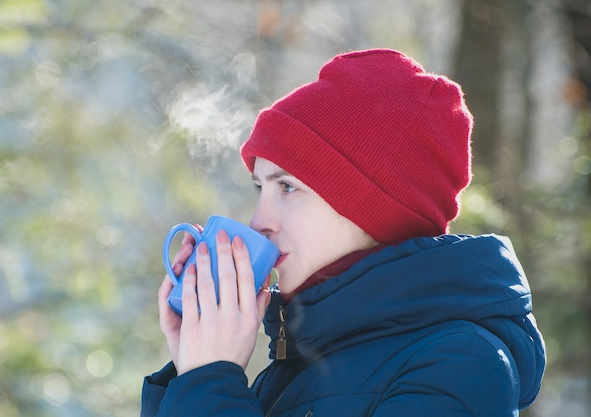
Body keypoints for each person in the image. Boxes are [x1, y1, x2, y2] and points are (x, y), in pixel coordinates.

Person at [140, 48, 546, 417]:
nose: (258, 221)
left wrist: (209, 383)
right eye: (260, 188)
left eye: (288, 187)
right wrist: (188, 373)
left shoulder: (459, 364)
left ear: (376, 210)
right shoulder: (294, 366)